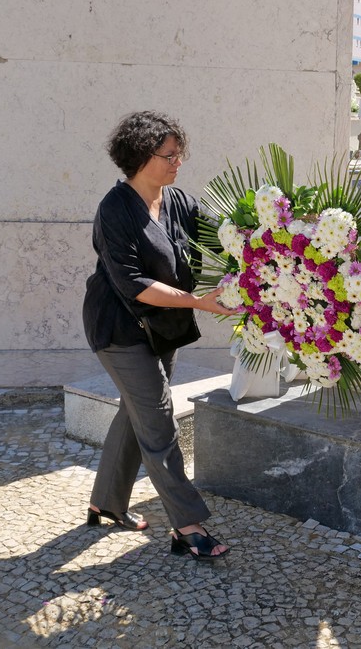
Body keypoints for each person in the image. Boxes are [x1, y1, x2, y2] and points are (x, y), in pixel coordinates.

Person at [82, 111, 237, 560]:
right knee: (159, 420)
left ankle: (106, 502)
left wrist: (277, 243)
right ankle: (187, 526)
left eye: (179, 153)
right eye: (168, 155)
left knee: (138, 412)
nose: (177, 162)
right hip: (119, 328)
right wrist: (199, 302)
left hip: (162, 326)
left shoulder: (179, 201)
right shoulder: (114, 209)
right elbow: (132, 283)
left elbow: (225, 237)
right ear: (139, 158)